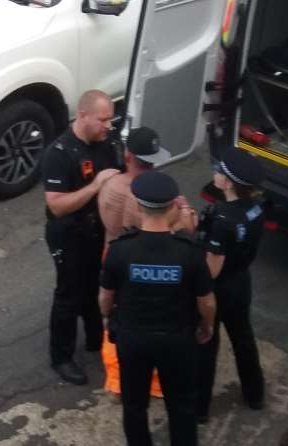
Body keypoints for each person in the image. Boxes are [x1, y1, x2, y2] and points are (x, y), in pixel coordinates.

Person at [99, 171, 216, 446]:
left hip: (133, 339)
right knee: (182, 406)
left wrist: (107, 318)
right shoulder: (189, 252)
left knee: (135, 405)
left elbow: (106, 296)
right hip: (177, 340)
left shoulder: (120, 250)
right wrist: (207, 325)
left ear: (139, 207)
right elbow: (206, 300)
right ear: (173, 207)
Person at [42, 89, 121, 385]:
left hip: (97, 229)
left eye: (110, 120)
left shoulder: (108, 141)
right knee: (68, 294)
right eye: (103, 120)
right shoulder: (59, 154)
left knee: (95, 283)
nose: (108, 126)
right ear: (83, 115)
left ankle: (94, 337)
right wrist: (95, 187)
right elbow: (57, 205)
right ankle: (61, 357)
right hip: (69, 233)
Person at [98, 126, 172, 399]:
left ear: (128, 155)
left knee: (115, 319)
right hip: (141, 261)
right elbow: (169, 230)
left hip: (110, 255)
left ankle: (116, 379)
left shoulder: (108, 185)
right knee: (147, 318)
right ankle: (152, 383)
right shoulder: (150, 199)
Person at [196, 147, 267, 423]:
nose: (215, 173)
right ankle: (255, 394)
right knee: (243, 340)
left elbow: (212, 269)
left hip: (220, 288)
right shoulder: (257, 207)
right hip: (241, 283)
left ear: (228, 182)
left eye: (219, 171)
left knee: (206, 344)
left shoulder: (223, 220)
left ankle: (199, 409)